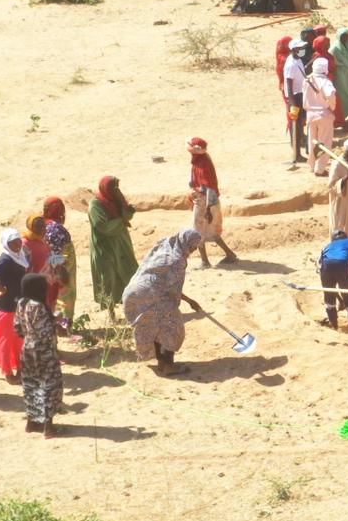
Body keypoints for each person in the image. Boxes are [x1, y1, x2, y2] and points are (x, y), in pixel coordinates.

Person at [123, 228, 206, 375]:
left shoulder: (166, 246)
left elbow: (163, 283)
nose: (193, 250)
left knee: (155, 326)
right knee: (173, 326)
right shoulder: (177, 261)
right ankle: (168, 366)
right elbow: (172, 290)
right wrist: (189, 301)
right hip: (149, 295)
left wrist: (188, 300)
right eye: (193, 246)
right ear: (186, 243)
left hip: (134, 292)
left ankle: (162, 363)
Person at [85, 177, 137, 320]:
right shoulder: (95, 205)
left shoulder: (117, 200)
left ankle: (131, 310)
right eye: (112, 187)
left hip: (121, 244)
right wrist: (122, 220)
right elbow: (103, 227)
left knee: (130, 273)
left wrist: (126, 209)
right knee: (108, 278)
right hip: (104, 247)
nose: (115, 190)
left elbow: (127, 215)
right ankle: (111, 313)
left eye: (116, 187)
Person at [17, 272, 61, 435]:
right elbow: (45, 332)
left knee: (31, 385)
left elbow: (18, 327)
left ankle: (32, 423)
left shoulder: (21, 303)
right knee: (49, 386)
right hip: (43, 352)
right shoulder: (38, 306)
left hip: (27, 350)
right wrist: (56, 322)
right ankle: (48, 427)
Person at [0, 227, 27, 381]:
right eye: (13, 242)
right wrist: (0, 288)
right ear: (6, 244)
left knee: (19, 339)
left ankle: (20, 369)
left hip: (18, 304)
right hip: (6, 306)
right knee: (6, 341)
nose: (17, 244)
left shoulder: (20, 256)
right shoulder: (5, 259)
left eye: (18, 240)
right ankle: (8, 373)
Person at [188, 138, 236, 266]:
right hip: (205, 200)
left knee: (197, 230)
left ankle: (205, 262)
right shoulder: (200, 160)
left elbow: (208, 186)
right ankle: (229, 254)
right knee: (210, 230)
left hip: (204, 201)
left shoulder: (202, 163)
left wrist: (208, 208)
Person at [317, 225, 348, 332]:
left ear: (332, 239)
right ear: (346, 237)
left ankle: (334, 327)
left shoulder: (326, 247)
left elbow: (322, 270)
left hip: (326, 266)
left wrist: (339, 300)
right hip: (343, 265)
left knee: (328, 295)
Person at [37, 197, 77, 333]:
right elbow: (57, 254)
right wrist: (61, 270)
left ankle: (57, 324)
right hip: (61, 269)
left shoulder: (41, 224)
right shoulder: (56, 229)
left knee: (53, 296)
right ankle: (63, 326)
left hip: (47, 270)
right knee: (65, 296)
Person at [305, 56, 341, 174]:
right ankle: (319, 169)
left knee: (312, 141)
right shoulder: (325, 82)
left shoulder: (307, 80)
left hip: (310, 114)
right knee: (324, 142)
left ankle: (311, 165)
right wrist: (332, 106)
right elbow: (331, 95)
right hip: (323, 115)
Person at [281, 37, 309, 165]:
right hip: (295, 97)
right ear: (295, 49)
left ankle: (298, 152)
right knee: (296, 126)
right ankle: (296, 154)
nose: (303, 50)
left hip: (300, 94)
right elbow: (289, 84)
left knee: (299, 125)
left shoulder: (298, 60)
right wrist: (292, 104)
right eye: (301, 48)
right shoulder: (291, 64)